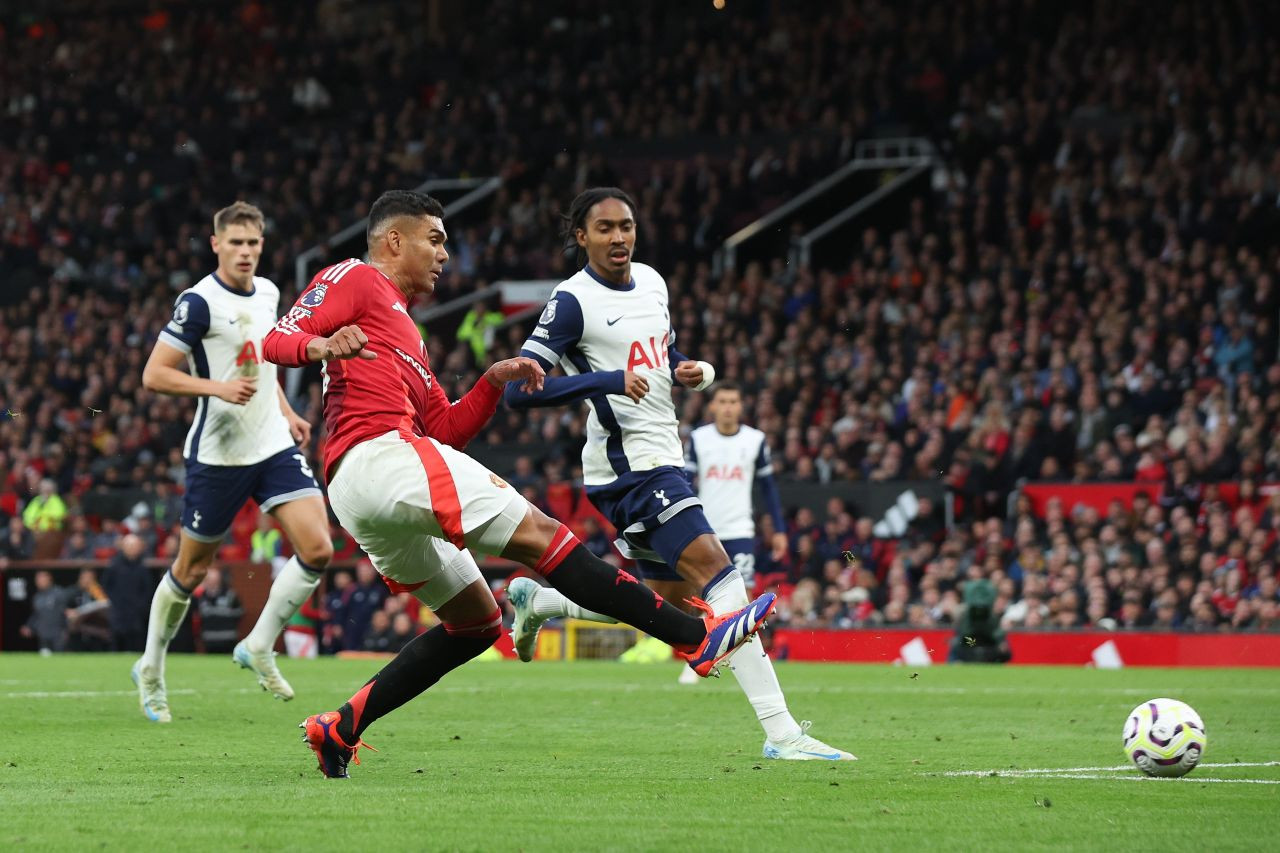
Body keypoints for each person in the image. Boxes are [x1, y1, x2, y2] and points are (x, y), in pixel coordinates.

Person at [263, 190, 774, 778]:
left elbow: (447, 427)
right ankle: (693, 638)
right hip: (379, 456)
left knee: (477, 622)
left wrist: (491, 379)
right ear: (393, 239)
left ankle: (341, 726)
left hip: (369, 487)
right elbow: (277, 340)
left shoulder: (410, 335)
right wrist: (320, 344)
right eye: (435, 239)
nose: (445, 256)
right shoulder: (354, 277)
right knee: (543, 536)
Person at [503, 188, 853, 761]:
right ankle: (782, 732)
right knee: (722, 577)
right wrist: (606, 381)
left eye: (627, 226)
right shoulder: (572, 301)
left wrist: (688, 368)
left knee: (663, 600)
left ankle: (542, 604)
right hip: (631, 469)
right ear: (581, 237)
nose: (619, 238)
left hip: (661, 452)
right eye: (606, 229)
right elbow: (519, 391)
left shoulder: (653, 282)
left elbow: (658, 351)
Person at [133, 201, 336, 722]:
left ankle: (259, 644)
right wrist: (216, 387)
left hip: (271, 443)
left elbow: (263, 363)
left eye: (253, 244)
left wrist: (287, 411)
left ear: (261, 246)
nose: (245, 252)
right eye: (236, 243)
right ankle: (151, 667)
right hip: (218, 454)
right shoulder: (198, 302)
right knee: (192, 568)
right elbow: (154, 375)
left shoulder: (268, 293)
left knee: (318, 548)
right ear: (216, 243)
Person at [677, 381, 788, 683]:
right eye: (722, 401)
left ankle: (736, 661)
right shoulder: (699, 439)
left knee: (741, 599)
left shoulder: (755, 440)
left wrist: (778, 529)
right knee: (703, 597)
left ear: (741, 406)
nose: (728, 407)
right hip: (705, 529)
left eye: (733, 401)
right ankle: (699, 656)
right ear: (713, 406)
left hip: (740, 529)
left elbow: (768, 489)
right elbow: (684, 483)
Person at [102, 533, 154, 652]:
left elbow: (147, 590)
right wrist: (114, 602)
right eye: (129, 546)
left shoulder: (143, 568)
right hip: (118, 613)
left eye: (134, 546)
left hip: (136, 615)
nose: (132, 549)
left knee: (136, 645)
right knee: (117, 644)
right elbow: (106, 586)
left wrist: (141, 606)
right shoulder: (114, 566)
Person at [196, 567, 244, 654]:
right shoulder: (201, 597)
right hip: (209, 639)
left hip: (228, 638)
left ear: (219, 580)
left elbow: (240, 612)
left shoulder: (230, 594)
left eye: (213, 579)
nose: (211, 582)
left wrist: (225, 615)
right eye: (208, 579)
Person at [21, 570, 71, 653]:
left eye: (41, 579)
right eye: (37, 580)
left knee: (59, 660)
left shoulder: (59, 593)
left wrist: (66, 630)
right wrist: (29, 626)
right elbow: (36, 615)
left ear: (49, 578)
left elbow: (66, 612)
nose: (39, 582)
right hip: (43, 634)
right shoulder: (37, 597)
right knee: (45, 659)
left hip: (58, 634)